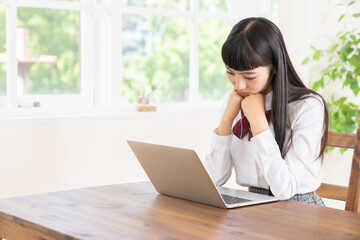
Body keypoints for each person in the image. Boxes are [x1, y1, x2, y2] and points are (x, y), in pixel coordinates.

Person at [205, 17, 329, 206]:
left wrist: (258, 123)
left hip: (300, 209)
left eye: (249, 76)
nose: (239, 84)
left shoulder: (307, 107)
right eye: (230, 72)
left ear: (275, 69)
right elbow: (213, 180)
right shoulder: (235, 101)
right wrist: (227, 120)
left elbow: (285, 189)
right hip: (251, 204)